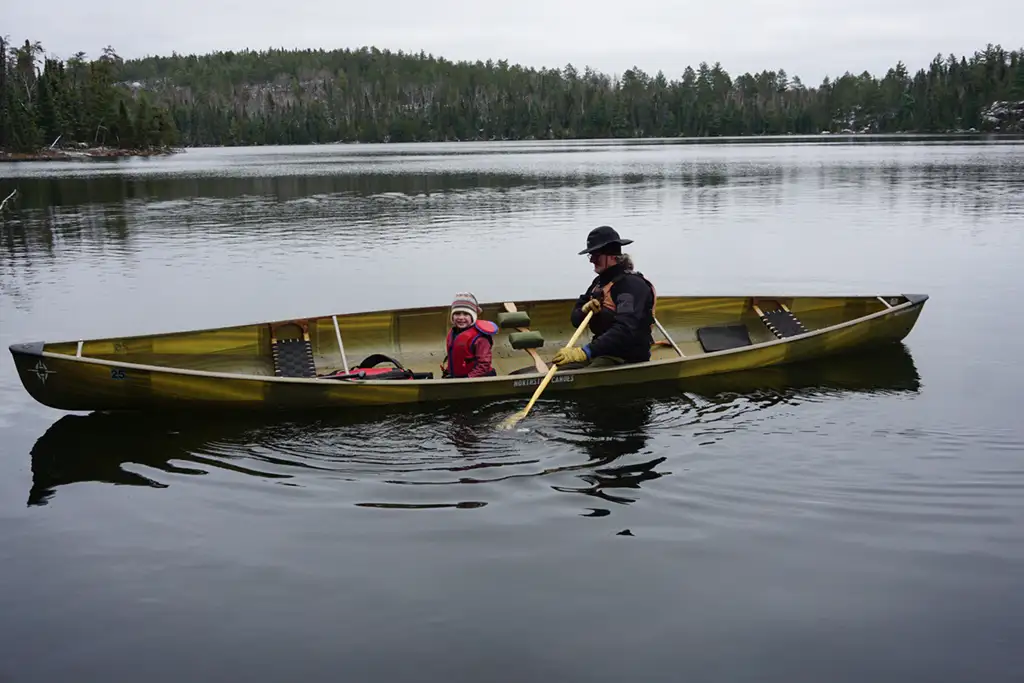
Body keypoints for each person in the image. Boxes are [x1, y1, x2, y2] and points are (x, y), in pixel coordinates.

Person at [552, 225, 657, 369]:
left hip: (625, 357)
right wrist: (584, 310)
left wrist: (586, 351)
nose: (591, 261)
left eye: (596, 256)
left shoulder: (630, 286)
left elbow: (625, 329)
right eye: (591, 255)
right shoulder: (599, 282)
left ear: (612, 255)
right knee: (557, 367)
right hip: (600, 351)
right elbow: (575, 320)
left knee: (580, 377)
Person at [440, 292, 499, 379]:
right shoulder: (453, 332)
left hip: (477, 378)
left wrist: (468, 379)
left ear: (473, 316)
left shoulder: (480, 338)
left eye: (466, 314)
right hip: (458, 376)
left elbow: (484, 365)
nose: (461, 317)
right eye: (457, 314)